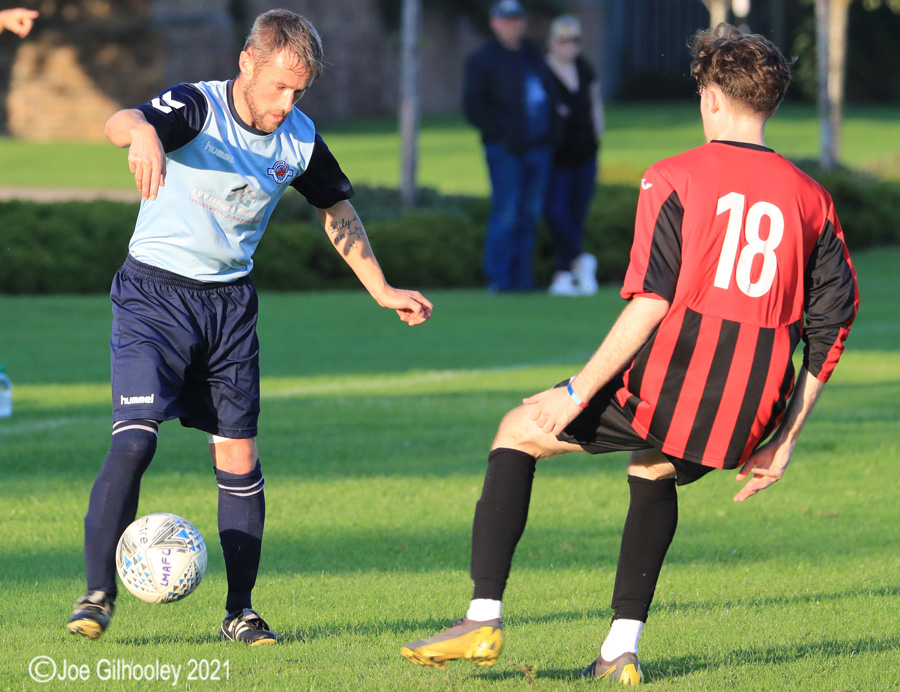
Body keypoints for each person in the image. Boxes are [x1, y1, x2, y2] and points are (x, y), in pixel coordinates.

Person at [401, 24, 858, 682]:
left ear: (711, 100)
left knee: (519, 431)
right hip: (748, 410)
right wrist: (783, 438)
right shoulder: (814, 200)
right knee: (653, 469)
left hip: (674, 381)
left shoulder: (675, 176)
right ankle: (620, 652)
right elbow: (832, 323)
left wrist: (575, 391)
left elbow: (651, 301)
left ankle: (481, 618)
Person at [66, 9, 432, 644]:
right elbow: (119, 121)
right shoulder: (196, 108)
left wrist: (382, 288)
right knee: (134, 442)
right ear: (248, 64)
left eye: (300, 90)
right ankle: (97, 595)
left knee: (238, 457)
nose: (288, 103)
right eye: (279, 87)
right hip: (154, 295)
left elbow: (335, 209)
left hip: (229, 307)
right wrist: (144, 136)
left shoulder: (299, 138)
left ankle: (240, 611)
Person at [463, 0, 560, 292]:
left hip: (538, 147)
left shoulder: (531, 53)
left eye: (516, 19)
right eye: (506, 20)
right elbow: (473, 106)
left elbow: (548, 93)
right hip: (505, 149)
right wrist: (501, 135)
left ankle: (523, 278)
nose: (512, 25)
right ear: (494, 23)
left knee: (529, 214)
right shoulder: (483, 58)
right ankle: (499, 279)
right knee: (506, 213)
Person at [543, 15, 604, 297]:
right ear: (552, 42)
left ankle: (563, 273)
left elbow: (595, 105)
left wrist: (598, 137)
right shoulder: (543, 71)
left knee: (576, 215)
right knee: (555, 211)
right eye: (562, 40)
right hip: (556, 155)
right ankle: (582, 260)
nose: (568, 46)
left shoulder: (585, 68)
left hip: (585, 153)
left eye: (574, 40)